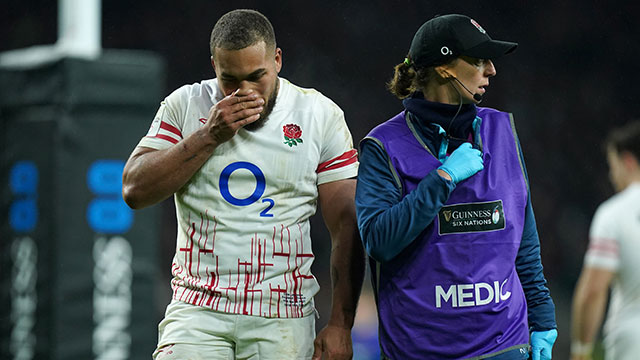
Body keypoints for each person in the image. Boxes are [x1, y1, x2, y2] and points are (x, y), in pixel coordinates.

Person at [122, 9, 365, 359]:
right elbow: (134, 190)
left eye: (257, 76)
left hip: (282, 314)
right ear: (214, 67)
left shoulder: (318, 115)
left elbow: (347, 222)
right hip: (197, 309)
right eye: (230, 80)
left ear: (277, 60)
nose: (245, 91)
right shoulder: (186, 104)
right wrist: (209, 135)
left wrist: (341, 325)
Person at [354, 14, 557, 359]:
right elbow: (378, 241)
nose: (491, 70)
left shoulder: (502, 130)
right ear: (446, 68)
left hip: (503, 344)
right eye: (478, 61)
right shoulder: (383, 145)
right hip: (419, 348)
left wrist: (543, 318)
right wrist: (442, 180)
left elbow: (523, 237)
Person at [570, 122, 640, 360]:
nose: (612, 175)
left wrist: (581, 349)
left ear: (628, 161)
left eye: (613, 166)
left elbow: (593, 290)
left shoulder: (614, 214)